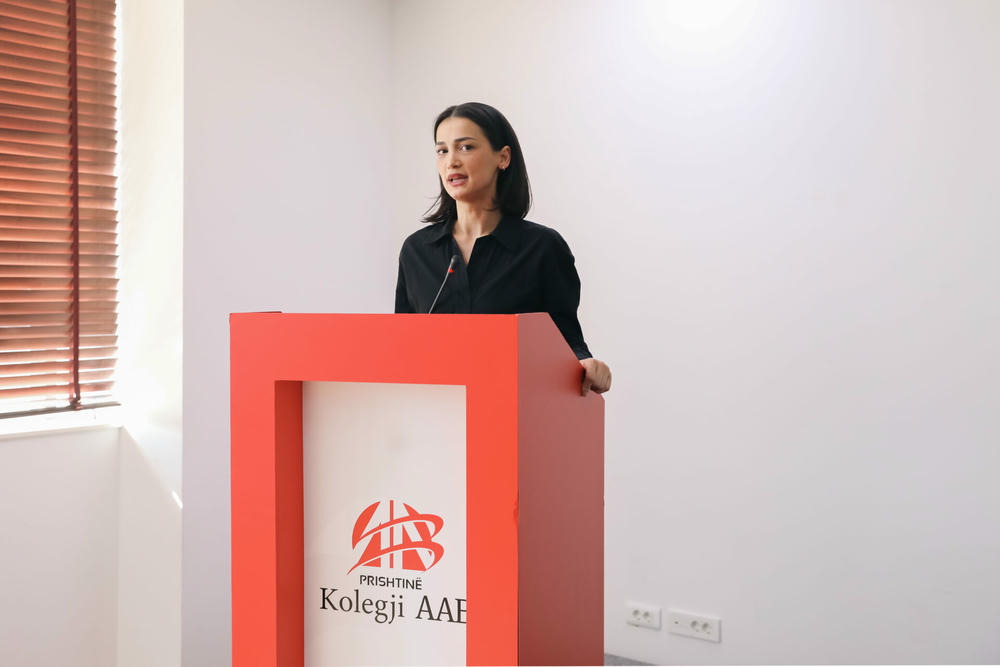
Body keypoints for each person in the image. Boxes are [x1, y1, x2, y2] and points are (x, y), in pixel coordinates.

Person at [394, 102, 612, 396]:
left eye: (465, 147)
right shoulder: (417, 251)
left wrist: (587, 365)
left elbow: (565, 340)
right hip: (434, 410)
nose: (451, 162)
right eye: (442, 151)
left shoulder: (543, 248)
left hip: (514, 407)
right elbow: (401, 347)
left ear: (503, 157)